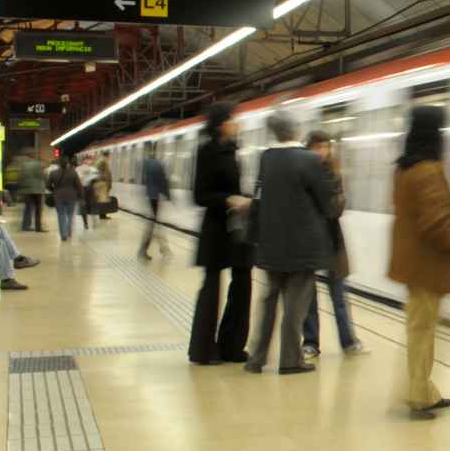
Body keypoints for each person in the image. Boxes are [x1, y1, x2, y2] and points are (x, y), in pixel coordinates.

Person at [387, 105, 450, 419]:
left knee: (421, 330)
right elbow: (437, 223)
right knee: (423, 332)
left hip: (416, 265)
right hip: (429, 265)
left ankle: (424, 390)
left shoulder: (404, 168)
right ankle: (418, 395)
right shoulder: (429, 170)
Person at [245, 114, 335, 375]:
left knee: (269, 302)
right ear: (295, 129)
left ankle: (257, 358)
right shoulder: (309, 159)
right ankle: (290, 360)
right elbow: (327, 201)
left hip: (271, 245)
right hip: (302, 247)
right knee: (295, 307)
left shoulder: (267, 158)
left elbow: (259, 196)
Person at [188, 104, 253, 366]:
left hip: (236, 229)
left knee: (243, 284)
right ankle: (204, 351)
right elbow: (200, 195)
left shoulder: (233, 149)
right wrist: (229, 200)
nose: (237, 123)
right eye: (232, 119)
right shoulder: (207, 151)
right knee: (212, 288)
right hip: (216, 229)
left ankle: (233, 346)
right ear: (221, 124)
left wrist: (244, 199)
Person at [302, 131, 366, 358]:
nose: (322, 151)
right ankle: (310, 343)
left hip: (331, 242)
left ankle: (348, 342)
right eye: (317, 147)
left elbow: (335, 209)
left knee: (339, 296)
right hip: (307, 241)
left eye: (325, 147)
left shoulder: (333, 174)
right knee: (308, 297)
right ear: (308, 148)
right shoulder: (302, 173)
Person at [138, 143, 172, 260]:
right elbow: (163, 181)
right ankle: (144, 250)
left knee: (154, 222)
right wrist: (168, 195)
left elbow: (144, 180)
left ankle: (163, 248)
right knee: (153, 223)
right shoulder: (158, 164)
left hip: (149, 196)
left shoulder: (146, 163)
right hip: (155, 198)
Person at [47, 156, 82, 241]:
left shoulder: (53, 173)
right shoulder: (73, 172)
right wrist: (80, 195)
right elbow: (79, 185)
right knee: (70, 215)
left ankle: (63, 235)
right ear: (67, 163)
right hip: (71, 196)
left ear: (58, 164)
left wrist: (54, 190)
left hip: (58, 196)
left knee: (61, 215)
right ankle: (69, 231)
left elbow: (47, 185)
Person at [16, 150, 46, 233]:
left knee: (28, 208)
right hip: (38, 189)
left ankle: (25, 226)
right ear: (34, 156)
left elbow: (20, 177)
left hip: (27, 190)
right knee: (38, 209)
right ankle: (38, 227)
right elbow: (42, 176)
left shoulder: (23, 165)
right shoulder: (38, 164)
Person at [75, 156, 98, 229]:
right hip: (85, 189)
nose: (89, 162)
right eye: (88, 160)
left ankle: (90, 222)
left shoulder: (93, 169)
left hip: (87, 189)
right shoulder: (80, 169)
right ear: (84, 161)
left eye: (90, 160)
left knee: (88, 206)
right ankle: (86, 223)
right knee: (85, 206)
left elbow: (96, 178)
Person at [95, 152, 114, 220]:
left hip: (102, 182)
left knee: (102, 199)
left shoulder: (100, 161)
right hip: (103, 183)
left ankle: (102, 214)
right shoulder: (103, 161)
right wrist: (105, 180)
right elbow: (103, 172)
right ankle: (102, 215)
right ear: (107, 155)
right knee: (103, 200)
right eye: (109, 156)